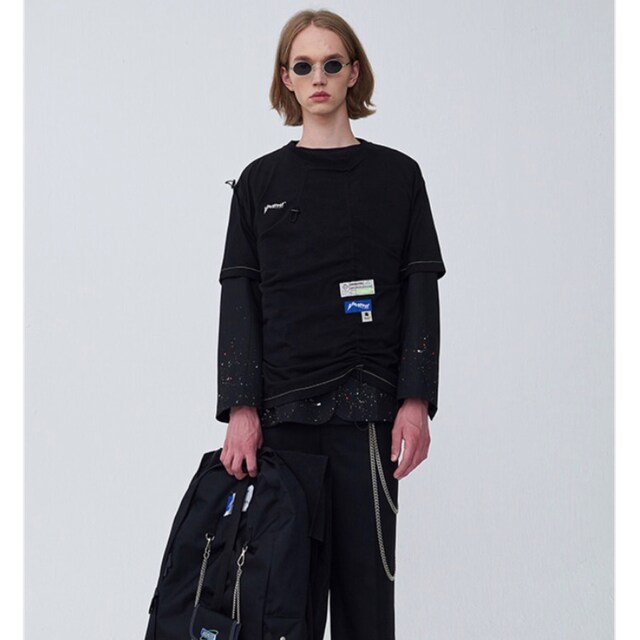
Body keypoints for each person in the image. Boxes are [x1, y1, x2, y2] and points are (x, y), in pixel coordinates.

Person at [215, 8, 446, 640]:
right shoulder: (258, 182)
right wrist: (241, 409)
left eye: (331, 63)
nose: (318, 77)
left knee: (366, 607)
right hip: (282, 423)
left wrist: (415, 400)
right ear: (286, 78)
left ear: (353, 73)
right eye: (304, 65)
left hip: (367, 419)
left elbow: (420, 288)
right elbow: (240, 300)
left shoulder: (398, 176)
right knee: (276, 608)